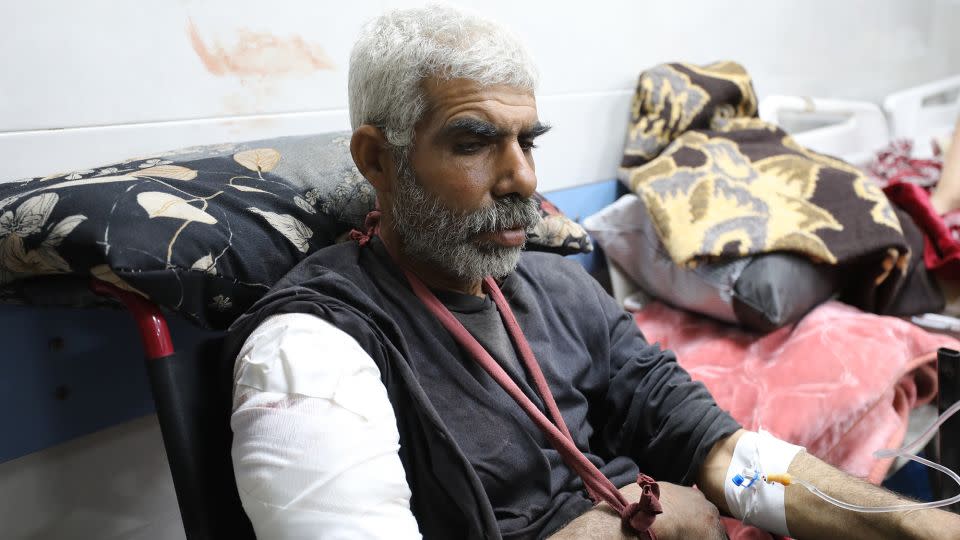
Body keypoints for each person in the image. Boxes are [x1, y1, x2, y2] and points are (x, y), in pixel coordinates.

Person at [226, 5, 960, 539]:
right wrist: (629, 526)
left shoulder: (554, 286)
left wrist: (910, 527)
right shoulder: (312, 354)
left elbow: (723, 453)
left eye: (528, 141)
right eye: (474, 141)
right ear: (377, 160)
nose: (520, 178)